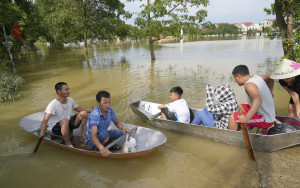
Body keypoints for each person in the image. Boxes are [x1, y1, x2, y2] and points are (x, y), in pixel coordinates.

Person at [39, 82, 92, 147]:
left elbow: (77, 108)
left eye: (68, 89)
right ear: (59, 92)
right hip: (56, 128)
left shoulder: (70, 100)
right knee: (65, 121)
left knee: (84, 113)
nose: (68, 91)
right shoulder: (52, 104)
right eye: (66, 90)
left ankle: (83, 136)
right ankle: (68, 142)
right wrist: (42, 130)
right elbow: (45, 120)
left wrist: (88, 111)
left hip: (68, 124)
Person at [228, 65, 276, 132]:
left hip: (266, 119)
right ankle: (248, 127)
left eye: (235, 78)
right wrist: (271, 92)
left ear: (238, 76)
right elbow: (270, 78)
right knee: (241, 107)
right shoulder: (258, 77)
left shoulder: (249, 85)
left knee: (233, 117)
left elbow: (258, 100)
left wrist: (246, 118)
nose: (235, 81)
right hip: (268, 112)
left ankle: (232, 139)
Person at [85, 91, 130, 156]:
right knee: (105, 136)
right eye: (105, 103)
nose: (107, 105)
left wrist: (123, 128)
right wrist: (102, 148)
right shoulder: (95, 115)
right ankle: (97, 150)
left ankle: (107, 143)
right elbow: (93, 136)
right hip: (91, 141)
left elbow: (116, 123)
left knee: (121, 133)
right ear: (98, 103)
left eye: (109, 102)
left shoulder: (110, 110)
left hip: (104, 134)